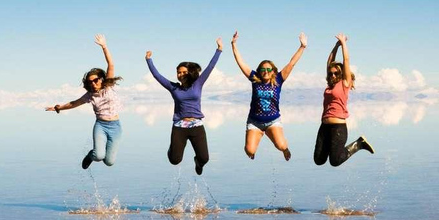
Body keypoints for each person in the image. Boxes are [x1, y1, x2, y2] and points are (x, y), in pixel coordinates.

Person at [145, 38, 222, 175]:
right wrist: (149, 60)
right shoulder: (173, 88)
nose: (180, 74)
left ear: (190, 72)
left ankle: (198, 163)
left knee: (204, 158)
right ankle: (172, 149)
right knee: (174, 160)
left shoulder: (198, 83)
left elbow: (210, 67)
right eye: (178, 72)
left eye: (183, 72)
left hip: (196, 125)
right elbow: (157, 76)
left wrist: (219, 50)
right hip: (179, 126)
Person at [46, 35, 123, 169]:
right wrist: (58, 108)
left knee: (109, 162)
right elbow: (74, 103)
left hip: (116, 127)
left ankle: (96, 155)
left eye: (96, 80)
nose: (93, 83)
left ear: (101, 79)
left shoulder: (108, 87)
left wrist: (104, 46)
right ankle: (91, 155)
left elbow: (111, 64)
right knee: (98, 156)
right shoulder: (90, 95)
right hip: (101, 126)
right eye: (90, 82)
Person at [231, 30, 307, 161]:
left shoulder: (278, 80)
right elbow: (241, 62)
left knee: (282, 145)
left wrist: (302, 46)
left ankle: (284, 149)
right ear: (259, 71)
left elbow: (292, 63)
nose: (265, 71)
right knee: (249, 150)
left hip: (273, 122)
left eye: (268, 69)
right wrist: (234, 45)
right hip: (255, 122)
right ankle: (255, 139)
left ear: (273, 71)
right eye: (262, 69)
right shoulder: (255, 79)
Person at [313, 34, 374, 166]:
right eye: (331, 73)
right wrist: (336, 46)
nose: (333, 75)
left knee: (334, 161)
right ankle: (333, 148)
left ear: (341, 74)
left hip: (338, 127)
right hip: (324, 126)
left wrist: (343, 44)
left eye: (336, 73)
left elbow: (346, 60)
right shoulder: (329, 85)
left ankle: (359, 144)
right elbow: (329, 61)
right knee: (318, 160)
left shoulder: (345, 83)